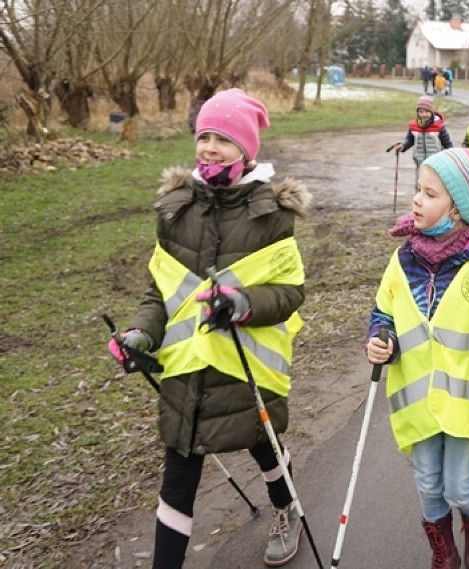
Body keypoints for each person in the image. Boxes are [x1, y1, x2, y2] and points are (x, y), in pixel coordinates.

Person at [106, 88, 311, 568]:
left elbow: (289, 292)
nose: (210, 147)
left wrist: (241, 303)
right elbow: (159, 291)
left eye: (223, 138)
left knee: (262, 445)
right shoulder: (175, 209)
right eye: (204, 136)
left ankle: (287, 510)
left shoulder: (272, 215)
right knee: (178, 478)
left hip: (245, 363)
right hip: (185, 368)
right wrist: (140, 334)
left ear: (246, 149)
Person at [366, 147, 469, 569]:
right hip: (417, 395)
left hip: (464, 401)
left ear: (457, 210)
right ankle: (444, 550)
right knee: (428, 484)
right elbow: (384, 311)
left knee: (458, 486)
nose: (417, 200)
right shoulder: (403, 260)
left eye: (430, 194)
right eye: (418, 191)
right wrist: (381, 337)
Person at [392, 96, 453, 182]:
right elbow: (410, 140)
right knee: (420, 185)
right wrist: (403, 146)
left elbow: (448, 144)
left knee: (435, 186)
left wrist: (449, 159)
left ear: (432, 112)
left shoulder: (439, 126)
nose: (424, 114)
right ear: (417, 113)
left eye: (427, 111)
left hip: (436, 163)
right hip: (420, 162)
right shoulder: (414, 126)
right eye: (421, 112)